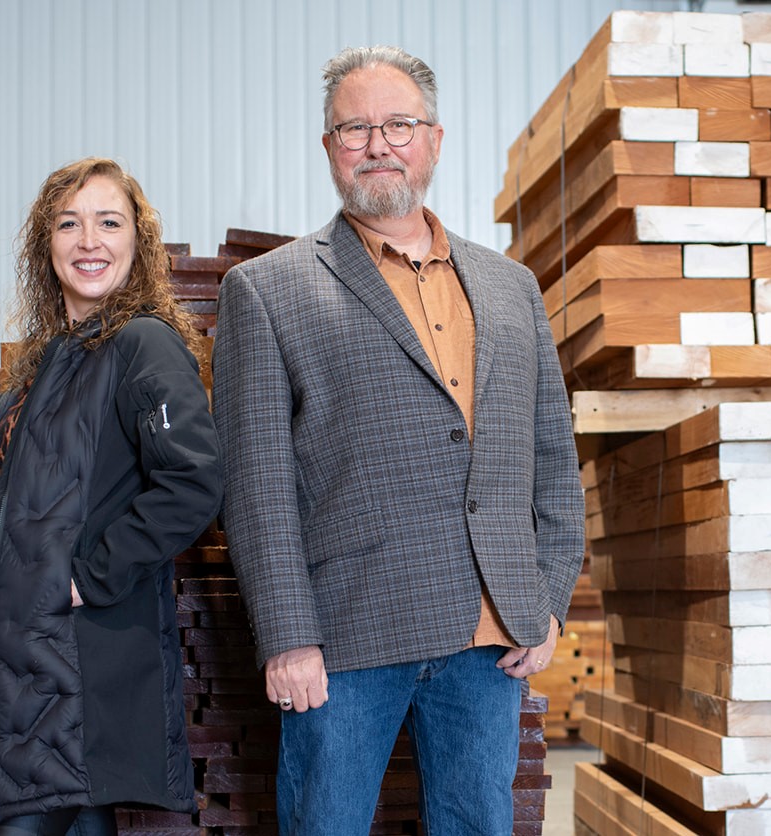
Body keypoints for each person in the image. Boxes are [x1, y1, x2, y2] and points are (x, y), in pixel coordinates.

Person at [211, 46, 584, 834]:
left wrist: (547, 599)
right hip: (344, 640)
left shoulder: (512, 287)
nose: (378, 144)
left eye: (399, 124)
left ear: (435, 139)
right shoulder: (268, 290)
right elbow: (258, 488)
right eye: (355, 129)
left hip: (489, 634)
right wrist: (287, 638)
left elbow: (553, 459)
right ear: (329, 150)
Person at [0, 157, 223, 836]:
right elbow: (2, 525)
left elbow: (193, 482)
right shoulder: (36, 370)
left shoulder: (142, 346)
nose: (89, 241)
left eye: (110, 222)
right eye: (68, 224)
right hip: (19, 670)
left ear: (138, 241)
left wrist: (88, 575)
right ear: (46, 245)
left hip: (78, 669)